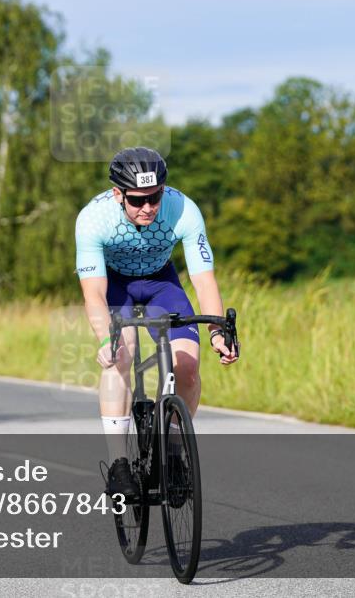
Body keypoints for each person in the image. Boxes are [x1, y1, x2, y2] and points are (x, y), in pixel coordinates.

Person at [74, 147, 238, 499]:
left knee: (188, 367)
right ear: (118, 194)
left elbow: (204, 280)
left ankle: (175, 449)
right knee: (123, 354)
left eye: (155, 197)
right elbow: (94, 294)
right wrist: (106, 339)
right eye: (137, 200)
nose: (148, 207)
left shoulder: (183, 210)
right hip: (116, 285)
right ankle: (118, 465)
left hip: (163, 284)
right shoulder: (93, 219)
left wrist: (217, 332)